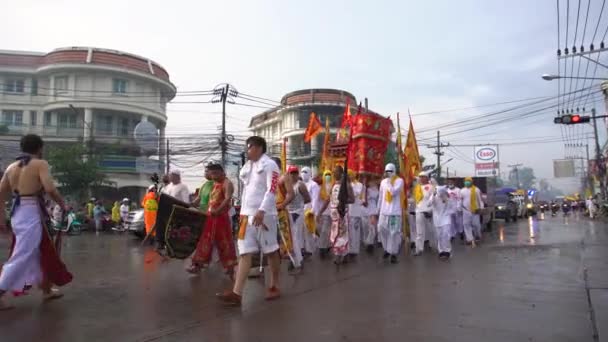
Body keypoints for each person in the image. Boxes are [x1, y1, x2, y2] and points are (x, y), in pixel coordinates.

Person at [0, 134, 73, 310]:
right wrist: (62, 204)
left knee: (41, 251)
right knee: (23, 254)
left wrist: (2, 218)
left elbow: (0, 194)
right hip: (32, 212)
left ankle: (46, 289)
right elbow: (49, 188)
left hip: (18, 213)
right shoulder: (40, 164)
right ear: (40, 148)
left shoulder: (11, 167)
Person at [217, 136, 282, 306]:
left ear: (259, 147)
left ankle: (274, 285)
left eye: (250, 147)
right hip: (246, 216)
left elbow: (272, 189)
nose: (248, 150)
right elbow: (246, 192)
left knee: (271, 251)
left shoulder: (270, 165)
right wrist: (243, 213)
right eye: (247, 147)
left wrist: (262, 210)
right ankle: (236, 293)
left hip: (264, 214)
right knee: (245, 252)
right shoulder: (247, 167)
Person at [189, 164, 237, 276]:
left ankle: (230, 267)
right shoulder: (214, 183)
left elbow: (227, 199)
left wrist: (218, 210)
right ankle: (197, 265)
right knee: (205, 241)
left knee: (224, 241)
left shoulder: (227, 183)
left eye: (214, 173)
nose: (212, 176)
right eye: (211, 174)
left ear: (221, 172)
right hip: (210, 216)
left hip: (221, 217)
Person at [323, 165, 354, 265]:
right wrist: (320, 212)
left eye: (335, 172)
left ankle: (340, 255)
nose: (333, 174)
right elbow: (328, 199)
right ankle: (342, 255)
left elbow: (352, 199)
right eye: (333, 172)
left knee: (342, 234)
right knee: (335, 234)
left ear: (341, 173)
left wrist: (343, 202)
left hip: (342, 214)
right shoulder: (333, 185)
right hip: (334, 215)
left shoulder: (347, 185)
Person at [377, 163, 405, 263]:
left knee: (394, 233)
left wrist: (389, 181)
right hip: (384, 211)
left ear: (394, 171)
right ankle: (387, 249)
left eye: (390, 171)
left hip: (394, 212)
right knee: (381, 230)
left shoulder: (399, 181)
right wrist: (378, 210)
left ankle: (393, 253)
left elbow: (393, 192)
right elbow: (380, 196)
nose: (388, 173)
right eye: (387, 171)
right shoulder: (383, 182)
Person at [286, 165, 311, 271]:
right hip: (288, 212)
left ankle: (297, 260)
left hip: (298, 213)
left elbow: (308, 198)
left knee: (296, 237)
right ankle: (295, 257)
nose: (293, 175)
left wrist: (299, 206)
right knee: (291, 238)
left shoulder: (300, 185)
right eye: (291, 173)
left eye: (295, 173)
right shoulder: (286, 185)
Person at [431, 186, 456, 260]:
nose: (441, 195)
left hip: (446, 219)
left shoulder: (449, 198)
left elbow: (454, 209)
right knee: (439, 236)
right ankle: (441, 251)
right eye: (439, 193)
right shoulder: (434, 197)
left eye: (442, 193)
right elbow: (429, 204)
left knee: (446, 235)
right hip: (437, 220)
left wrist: (448, 213)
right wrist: (433, 195)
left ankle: (447, 251)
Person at [413, 171, 434, 256]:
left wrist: (431, 211)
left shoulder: (431, 187)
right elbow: (416, 200)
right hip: (419, 211)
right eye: (420, 177)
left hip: (428, 211)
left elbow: (433, 200)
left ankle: (433, 245)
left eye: (423, 176)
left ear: (427, 177)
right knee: (419, 232)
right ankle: (419, 249)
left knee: (431, 230)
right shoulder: (417, 187)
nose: (421, 178)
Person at [300, 167, 320, 256]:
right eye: (302, 172)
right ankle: (305, 249)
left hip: (310, 211)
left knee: (310, 231)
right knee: (303, 232)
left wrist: (313, 210)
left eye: (305, 172)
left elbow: (315, 199)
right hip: (301, 210)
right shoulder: (300, 184)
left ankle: (311, 250)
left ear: (309, 173)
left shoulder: (314, 185)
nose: (303, 173)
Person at [459, 177, 484, 245]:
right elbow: (460, 200)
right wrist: (459, 209)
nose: (467, 182)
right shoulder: (462, 190)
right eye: (466, 181)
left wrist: (481, 208)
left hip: (475, 210)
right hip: (465, 210)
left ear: (471, 182)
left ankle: (477, 236)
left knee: (476, 225)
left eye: (468, 181)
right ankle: (469, 239)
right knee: (466, 225)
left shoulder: (476, 190)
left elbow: (480, 200)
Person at [347, 170, 365, 258]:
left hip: (356, 212)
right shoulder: (346, 185)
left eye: (350, 175)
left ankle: (354, 250)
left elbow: (355, 194)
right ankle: (349, 249)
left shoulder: (359, 185)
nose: (349, 176)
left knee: (355, 232)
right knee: (349, 232)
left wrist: (349, 187)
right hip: (348, 212)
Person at [317, 170, 333, 259]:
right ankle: (323, 246)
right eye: (326, 175)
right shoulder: (319, 187)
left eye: (329, 175)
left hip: (331, 212)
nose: (327, 176)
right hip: (322, 212)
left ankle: (325, 246)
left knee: (327, 231)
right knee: (322, 230)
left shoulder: (333, 186)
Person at [363, 176, 379, 253]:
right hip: (366, 208)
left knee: (373, 226)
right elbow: (364, 201)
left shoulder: (376, 187)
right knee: (367, 226)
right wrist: (365, 187)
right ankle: (367, 242)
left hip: (373, 208)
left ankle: (370, 243)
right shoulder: (365, 188)